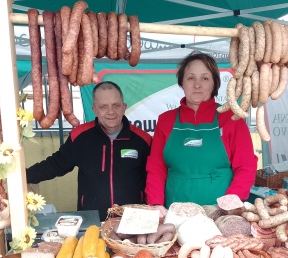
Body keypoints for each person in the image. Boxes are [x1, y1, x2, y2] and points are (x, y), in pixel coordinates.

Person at [145, 52, 258, 217]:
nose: (197, 85)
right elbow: (156, 168)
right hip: (174, 213)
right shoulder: (165, 121)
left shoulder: (231, 118)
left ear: (214, 84)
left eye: (205, 78)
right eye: (191, 78)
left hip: (221, 214)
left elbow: (246, 166)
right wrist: (155, 203)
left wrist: (231, 203)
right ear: (182, 82)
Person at [26, 81, 152, 220]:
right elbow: (56, 164)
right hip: (92, 219)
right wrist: (24, 176)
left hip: (132, 220)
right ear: (94, 110)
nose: (111, 111)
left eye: (115, 105)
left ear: (123, 107)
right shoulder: (80, 137)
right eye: (103, 106)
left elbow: (153, 177)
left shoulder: (143, 140)